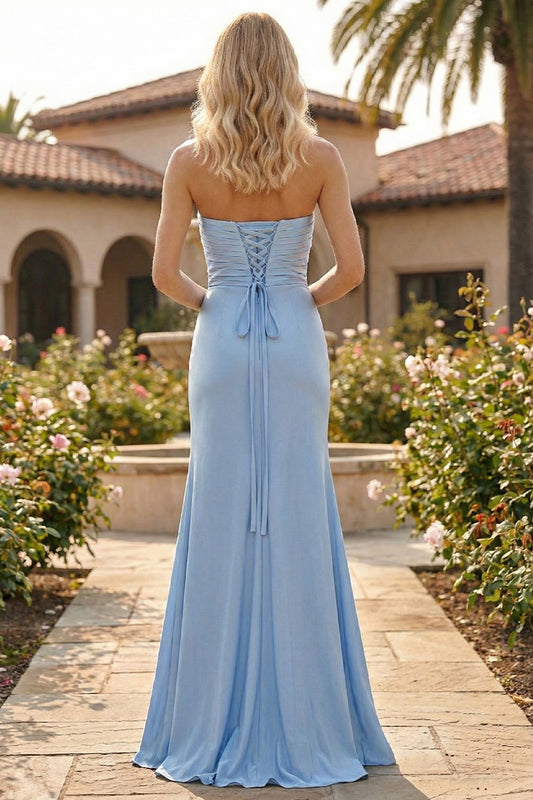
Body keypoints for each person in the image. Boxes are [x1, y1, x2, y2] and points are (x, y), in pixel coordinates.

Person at [132, 11, 395, 788]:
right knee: (297, 507)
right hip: (293, 334)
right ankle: (313, 717)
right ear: (285, 71)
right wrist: (293, 297)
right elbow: (350, 271)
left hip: (220, 338)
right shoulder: (320, 157)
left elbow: (163, 274)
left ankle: (204, 716)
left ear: (217, 74)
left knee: (218, 509)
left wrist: (215, 302)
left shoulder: (188, 160)